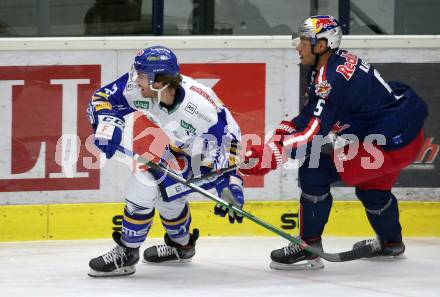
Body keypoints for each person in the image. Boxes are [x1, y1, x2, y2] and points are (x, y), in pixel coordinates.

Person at [239, 15, 428, 270]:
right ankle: (391, 243)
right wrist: (278, 139)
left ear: (322, 45)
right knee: (373, 191)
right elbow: (310, 117)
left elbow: (313, 134)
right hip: (403, 137)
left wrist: (273, 152)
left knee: (314, 170)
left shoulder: (329, 79)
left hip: (386, 146)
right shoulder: (331, 65)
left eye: (305, 41)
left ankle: (309, 246)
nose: (299, 45)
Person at [86, 45, 244, 277]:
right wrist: (108, 125)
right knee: (167, 196)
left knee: (144, 183)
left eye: (142, 75)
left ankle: (127, 253)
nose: (135, 79)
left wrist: (230, 182)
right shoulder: (139, 88)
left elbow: (231, 141)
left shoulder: (200, 108)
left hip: (209, 156)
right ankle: (182, 246)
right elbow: (102, 98)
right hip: (181, 147)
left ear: (158, 82)